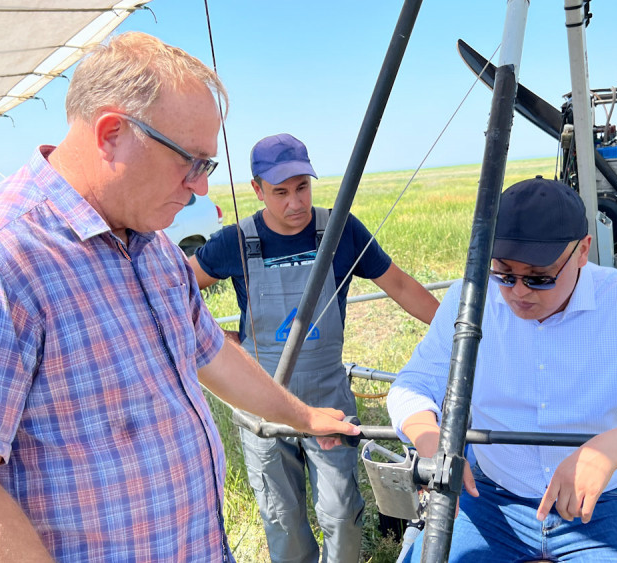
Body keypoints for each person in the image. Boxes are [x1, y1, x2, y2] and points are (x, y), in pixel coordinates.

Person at [0, 32, 358, 562]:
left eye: (206, 167)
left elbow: (208, 351)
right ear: (113, 133)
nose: (200, 187)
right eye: (192, 161)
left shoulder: (152, 246)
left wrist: (303, 416)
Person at [387, 176, 617, 562]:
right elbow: (413, 385)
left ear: (582, 251)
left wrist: (609, 449)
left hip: (604, 500)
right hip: (492, 499)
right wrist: (428, 440)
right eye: (504, 273)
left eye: (539, 278)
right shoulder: (469, 298)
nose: (518, 292)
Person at [188, 133, 439, 562]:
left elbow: (398, 284)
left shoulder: (340, 231)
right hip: (262, 405)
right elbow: (174, 289)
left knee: (341, 512)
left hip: (328, 400)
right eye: (280, 192)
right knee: (281, 516)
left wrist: (462, 335)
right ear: (257, 190)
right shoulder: (235, 242)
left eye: (302, 187)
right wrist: (212, 334)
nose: (294, 203)